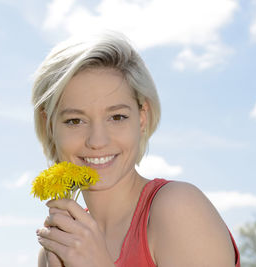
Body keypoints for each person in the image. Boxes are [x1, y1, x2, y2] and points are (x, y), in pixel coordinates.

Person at [32, 32, 240, 267]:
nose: (97, 140)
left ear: (142, 118)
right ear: (49, 126)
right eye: (75, 120)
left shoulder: (178, 210)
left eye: (117, 116)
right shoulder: (58, 249)